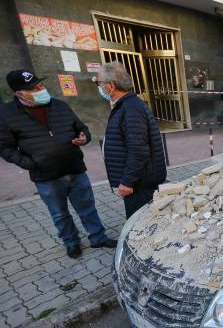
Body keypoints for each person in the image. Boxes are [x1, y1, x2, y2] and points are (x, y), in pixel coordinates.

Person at [0, 70, 116, 258]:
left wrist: (84, 137)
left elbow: (82, 128)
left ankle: (98, 237)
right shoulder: (6, 114)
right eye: (34, 88)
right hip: (46, 176)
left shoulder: (59, 105)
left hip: (75, 168)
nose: (41, 89)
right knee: (60, 214)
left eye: (41, 85)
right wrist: (31, 163)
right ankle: (71, 242)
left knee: (87, 207)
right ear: (20, 93)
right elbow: (5, 148)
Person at [97, 62, 167, 218]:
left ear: (111, 85)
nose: (99, 87)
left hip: (139, 185)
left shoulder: (131, 109)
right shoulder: (125, 106)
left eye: (99, 83)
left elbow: (139, 150)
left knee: (141, 222)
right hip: (138, 182)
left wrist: (127, 181)